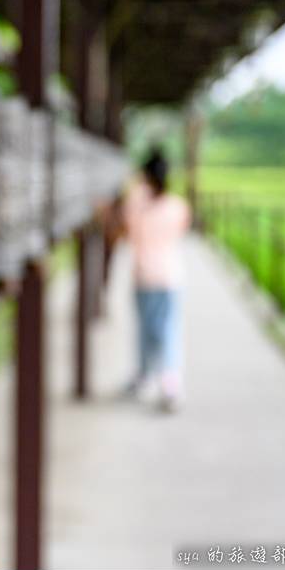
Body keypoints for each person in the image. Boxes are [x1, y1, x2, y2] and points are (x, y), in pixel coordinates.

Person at [121, 147, 191, 411]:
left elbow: (127, 231)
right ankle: (170, 382)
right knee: (168, 330)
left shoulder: (136, 205)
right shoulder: (177, 206)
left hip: (143, 275)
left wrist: (136, 190)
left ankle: (144, 376)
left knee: (145, 329)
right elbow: (181, 230)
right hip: (170, 275)